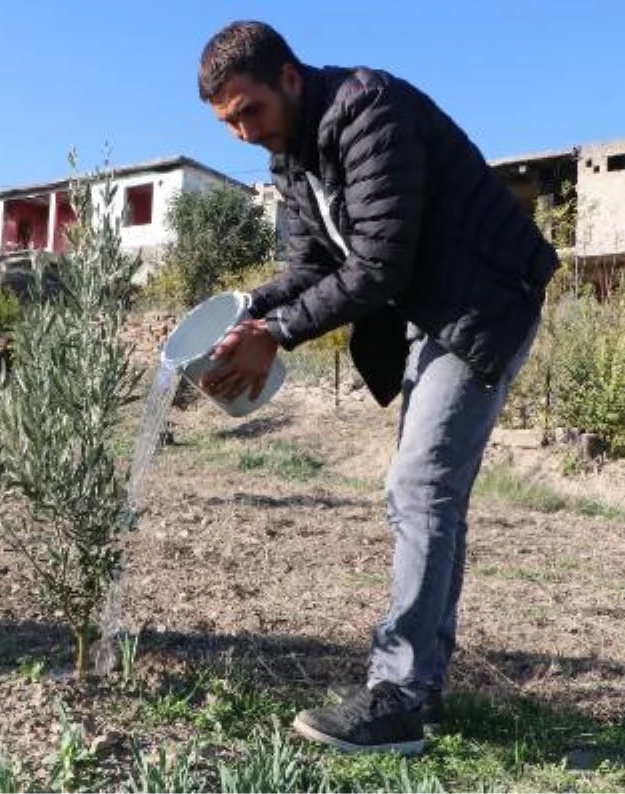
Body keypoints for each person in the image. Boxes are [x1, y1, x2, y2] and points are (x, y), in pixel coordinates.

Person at [196, 21, 558, 755]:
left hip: (482, 300)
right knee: (429, 495)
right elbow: (307, 270)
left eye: (249, 111)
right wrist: (242, 315)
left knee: (420, 488)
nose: (241, 133)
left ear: (289, 79)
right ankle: (422, 689)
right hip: (428, 313)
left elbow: (378, 266)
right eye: (227, 122)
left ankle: (399, 693)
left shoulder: (369, 111)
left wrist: (277, 336)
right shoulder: (291, 161)